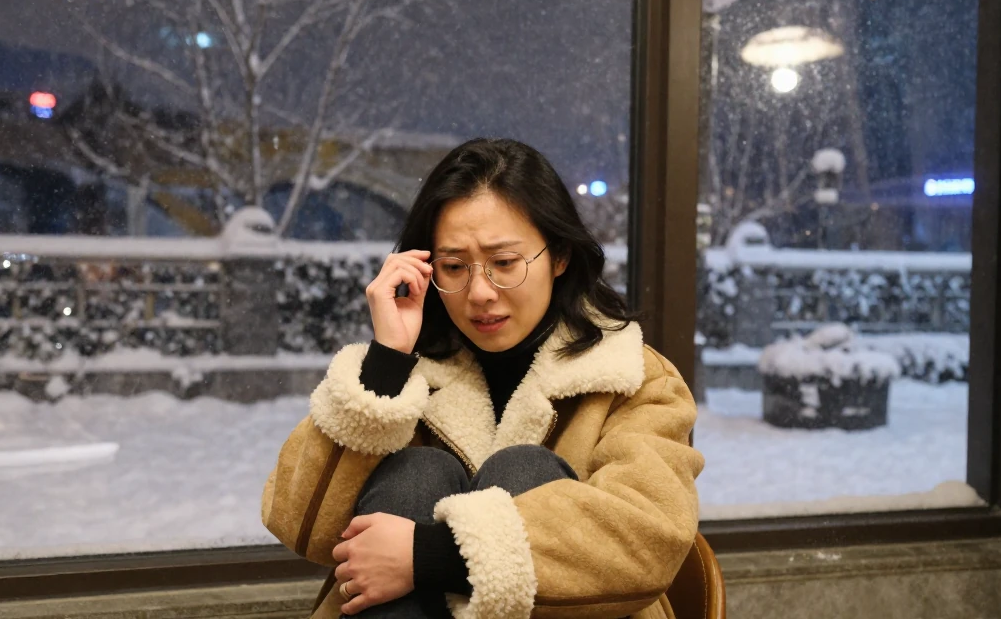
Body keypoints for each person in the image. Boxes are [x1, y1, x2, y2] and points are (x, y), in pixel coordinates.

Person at [262, 138, 703, 619]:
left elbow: (647, 539)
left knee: (526, 471)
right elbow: (300, 525)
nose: (479, 293)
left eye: (505, 263)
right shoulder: (409, 372)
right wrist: (386, 364)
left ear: (559, 257)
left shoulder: (633, 378)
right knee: (417, 473)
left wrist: (430, 556)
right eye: (454, 267)